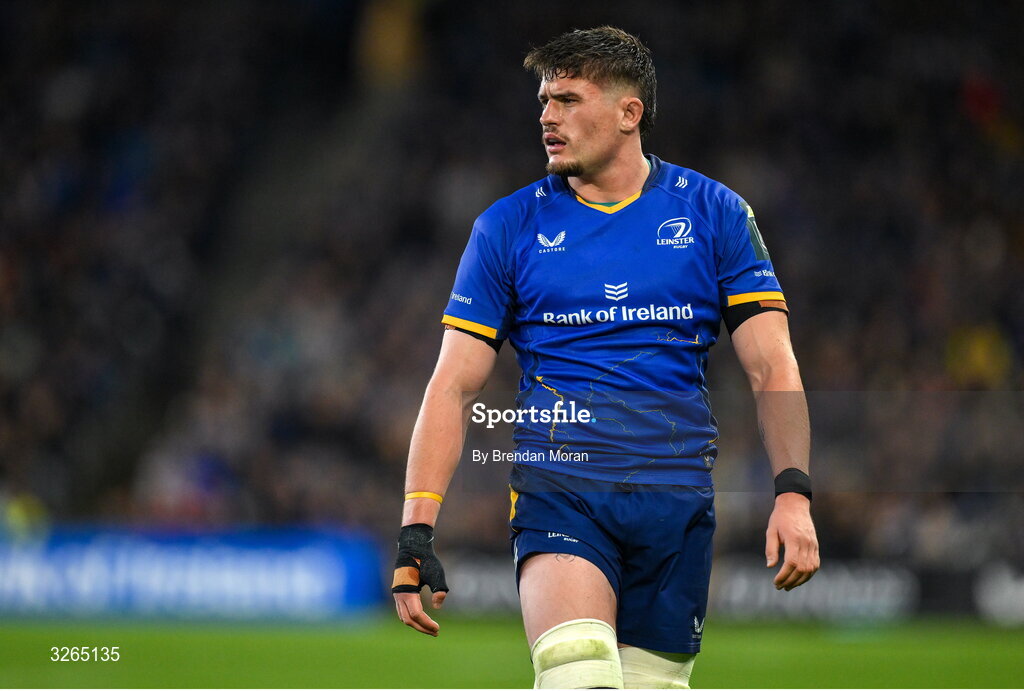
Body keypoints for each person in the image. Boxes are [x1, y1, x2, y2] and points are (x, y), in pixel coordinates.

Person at [392, 26, 819, 689]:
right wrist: (416, 531)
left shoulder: (716, 214)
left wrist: (792, 493)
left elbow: (773, 367)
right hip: (561, 492)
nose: (546, 116)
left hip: (675, 504)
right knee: (578, 678)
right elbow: (452, 385)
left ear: (629, 112)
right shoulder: (506, 228)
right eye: (542, 100)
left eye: (566, 98)